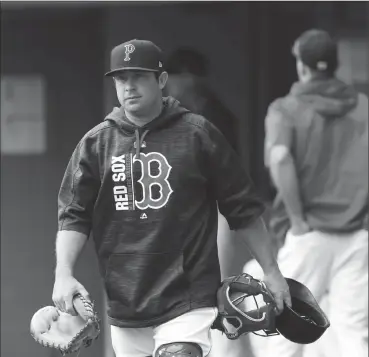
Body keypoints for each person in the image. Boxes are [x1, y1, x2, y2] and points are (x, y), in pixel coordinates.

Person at [52, 39, 291, 357]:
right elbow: (74, 214)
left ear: (161, 81)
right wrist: (63, 274)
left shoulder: (199, 134)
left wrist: (271, 271)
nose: (129, 86)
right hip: (126, 301)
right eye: (122, 79)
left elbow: (242, 207)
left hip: (187, 296)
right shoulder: (96, 144)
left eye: (138, 76)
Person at [246, 29, 368, 357]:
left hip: (307, 234)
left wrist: (298, 219)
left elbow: (280, 157)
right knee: (351, 330)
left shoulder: (287, 109)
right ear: (335, 65)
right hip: (356, 234)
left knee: (281, 327)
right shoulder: (364, 108)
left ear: (301, 66)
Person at [164, 47, 254, 357]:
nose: (169, 85)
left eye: (174, 77)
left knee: (218, 291)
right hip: (192, 217)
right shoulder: (181, 116)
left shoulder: (215, 118)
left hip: (216, 214)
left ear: (190, 78)